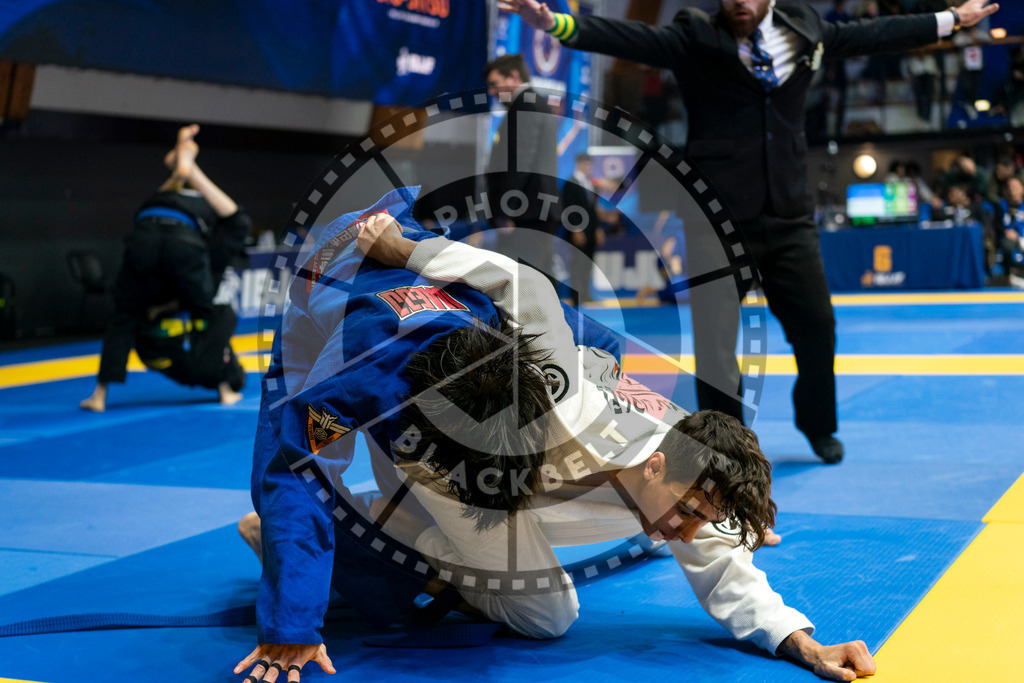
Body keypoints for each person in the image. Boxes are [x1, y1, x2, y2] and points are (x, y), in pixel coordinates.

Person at [236, 189, 871, 682]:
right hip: (393, 382)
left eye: (696, 517)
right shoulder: (364, 360)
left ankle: (394, 528)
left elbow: (543, 308)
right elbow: (294, 458)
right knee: (548, 614)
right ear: (656, 470)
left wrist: (800, 635)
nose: (690, 528)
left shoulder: (667, 447)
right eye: (690, 513)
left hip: (494, 383)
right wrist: (291, 617)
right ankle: (358, 537)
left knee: (563, 600)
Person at [500, 0, 1001, 465]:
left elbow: (875, 34)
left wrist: (951, 19)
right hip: (712, 220)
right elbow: (628, 38)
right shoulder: (694, 34)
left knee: (817, 328)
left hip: (789, 216)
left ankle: (818, 422)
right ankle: (729, 448)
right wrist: (554, 24)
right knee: (716, 346)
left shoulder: (806, 29)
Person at [79, 124, 251, 412]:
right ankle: (224, 390)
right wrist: (189, 170)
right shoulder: (206, 233)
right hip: (180, 240)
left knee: (122, 317)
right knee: (211, 313)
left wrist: (179, 170)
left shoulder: (168, 201)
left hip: (146, 227)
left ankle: (99, 396)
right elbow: (237, 221)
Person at [483, 53, 560, 286]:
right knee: (539, 280)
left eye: (495, 84)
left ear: (514, 77)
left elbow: (520, 160)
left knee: (522, 284)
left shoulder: (525, 104)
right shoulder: (533, 102)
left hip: (525, 211)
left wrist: (507, 208)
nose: (491, 92)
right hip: (533, 209)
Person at [560, 153, 604, 306]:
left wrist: (597, 229)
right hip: (578, 231)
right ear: (579, 164)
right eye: (585, 164)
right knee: (577, 263)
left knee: (587, 264)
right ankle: (576, 295)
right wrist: (576, 229)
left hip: (591, 230)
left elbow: (593, 210)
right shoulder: (571, 183)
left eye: (590, 164)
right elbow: (569, 209)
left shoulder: (590, 184)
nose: (588, 167)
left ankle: (586, 293)